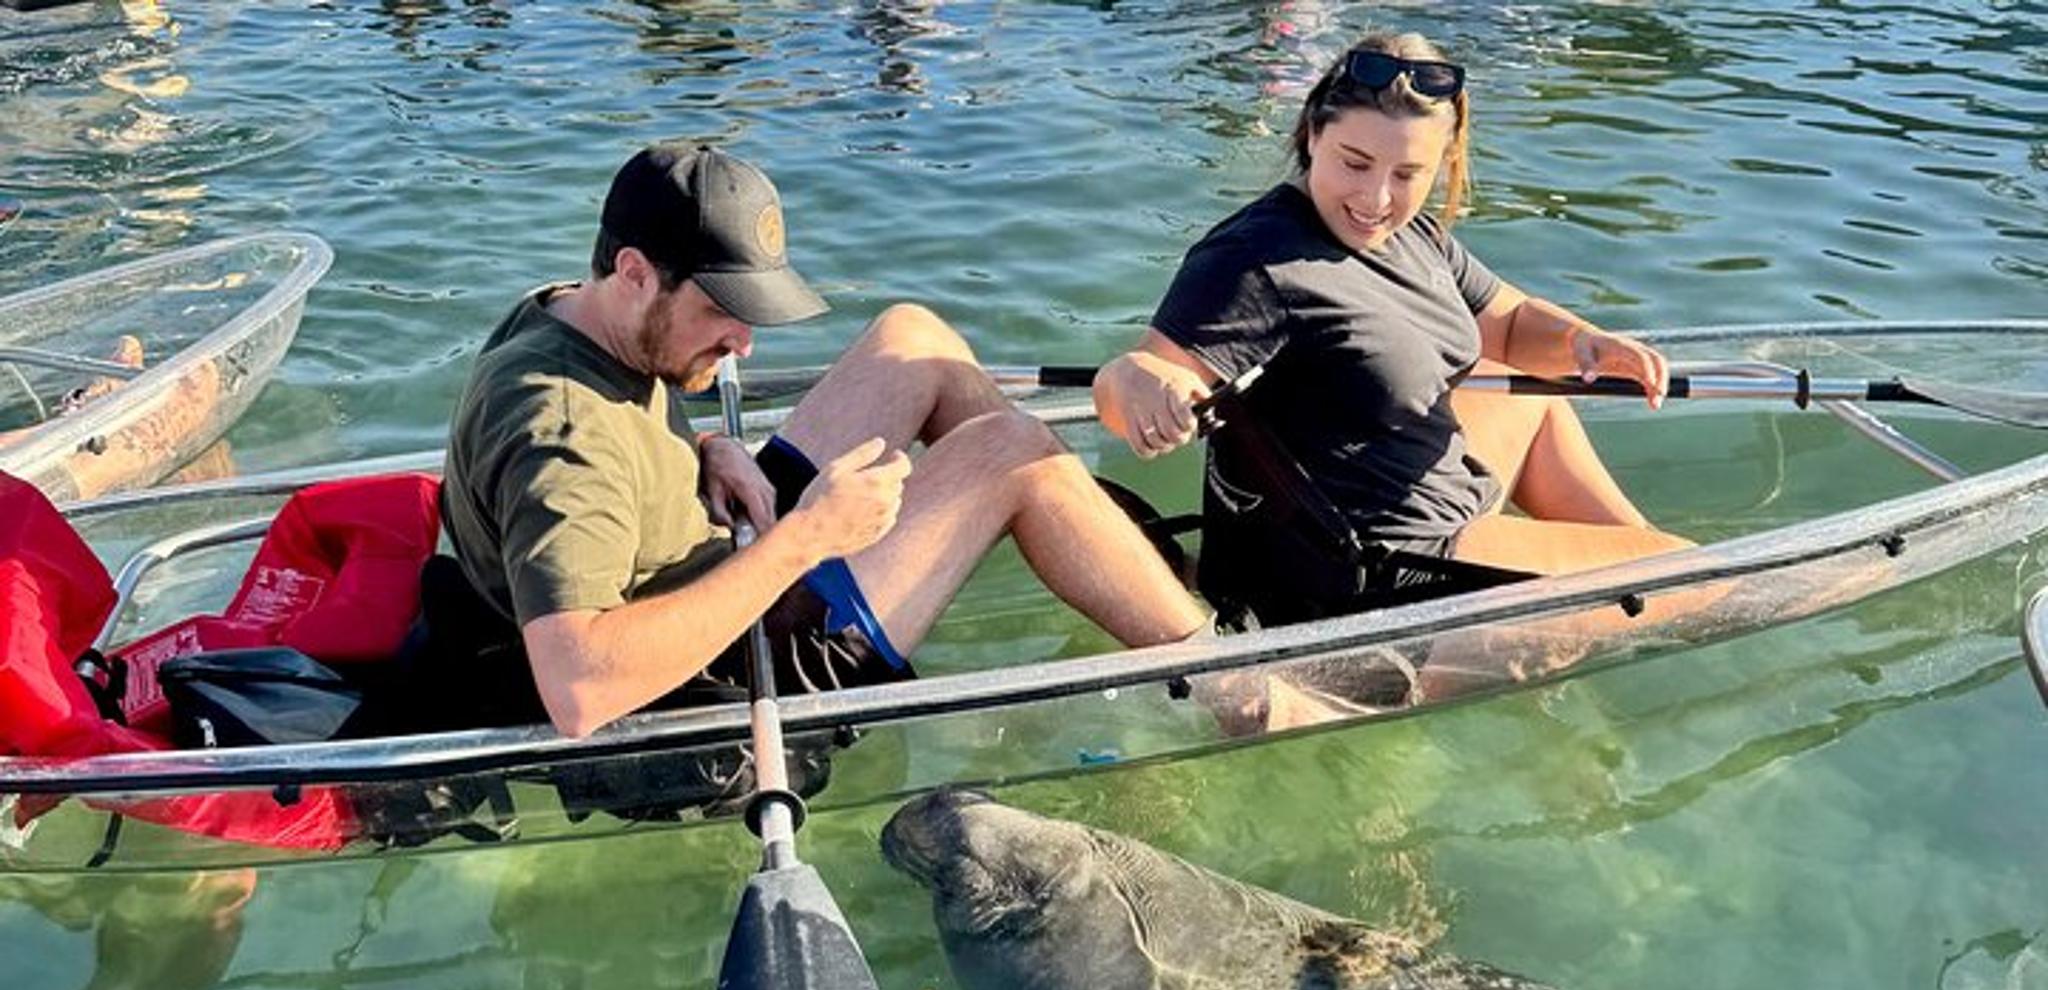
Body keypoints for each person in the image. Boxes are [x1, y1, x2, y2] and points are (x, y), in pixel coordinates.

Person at [436, 142, 1239, 740]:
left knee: (913, 339)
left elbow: (614, 446)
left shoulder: (570, 312)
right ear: (635, 271)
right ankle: (1242, 690)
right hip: (728, 669)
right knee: (1014, 454)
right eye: (721, 312)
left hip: (718, 548)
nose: (744, 344)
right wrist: (806, 539)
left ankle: (1126, 573)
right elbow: (578, 691)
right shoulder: (565, 433)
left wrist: (700, 449)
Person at [1092, 31, 1693, 631]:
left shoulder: (1416, 236)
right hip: (1389, 571)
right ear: (1312, 134)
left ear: (1442, 164)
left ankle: (1632, 562)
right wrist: (1143, 386)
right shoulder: (1253, 258)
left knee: (1535, 400)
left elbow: (1509, 325)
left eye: (1408, 173)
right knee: (1699, 574)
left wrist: (1584, 341)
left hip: (1433, 498)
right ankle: (1648, 584)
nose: (1376, 198)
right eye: (1354, 163)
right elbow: (1143, 373)